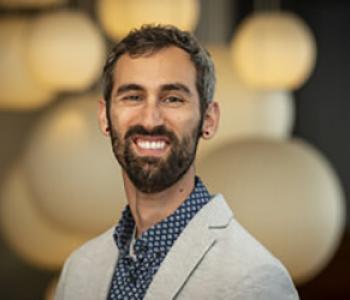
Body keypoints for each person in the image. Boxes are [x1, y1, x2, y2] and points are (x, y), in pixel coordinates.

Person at [54, 25, 299, 300]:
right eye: (133, 97)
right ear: (104, 117)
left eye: (173, 99)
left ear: (209, 119)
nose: (150, 120)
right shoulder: (79, 270)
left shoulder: (255, 279)